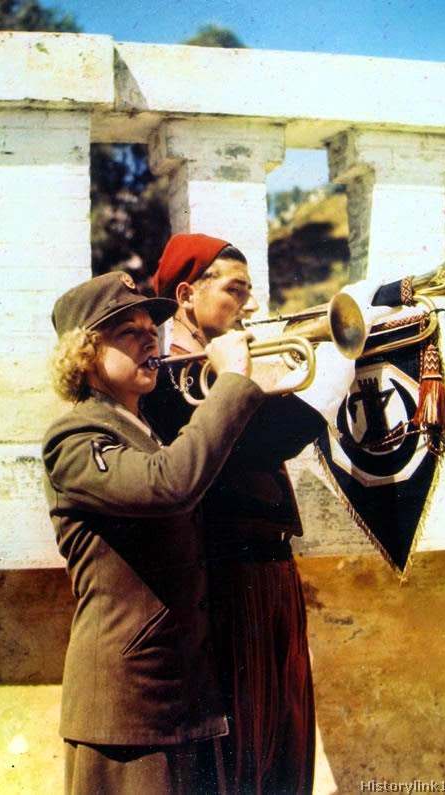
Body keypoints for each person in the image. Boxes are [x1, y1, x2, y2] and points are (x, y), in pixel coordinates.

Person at [145, 234, 390, 795]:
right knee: (245, 754)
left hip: (272, 575)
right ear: (186, 295)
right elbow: (268, 441)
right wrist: (339, 362)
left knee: (285, 743)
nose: (251, 305)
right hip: (227, 583)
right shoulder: (168, 378)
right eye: (236, 290)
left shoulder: (229, 371)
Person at [42, 270, 266, 794]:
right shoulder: (75, 437)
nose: (151, 340)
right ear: (85, 354)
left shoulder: (144, 430)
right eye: (129, 332)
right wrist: (232, 383)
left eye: (152, 330)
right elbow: (170, 484)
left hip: (184, 697)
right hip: (129, 709)